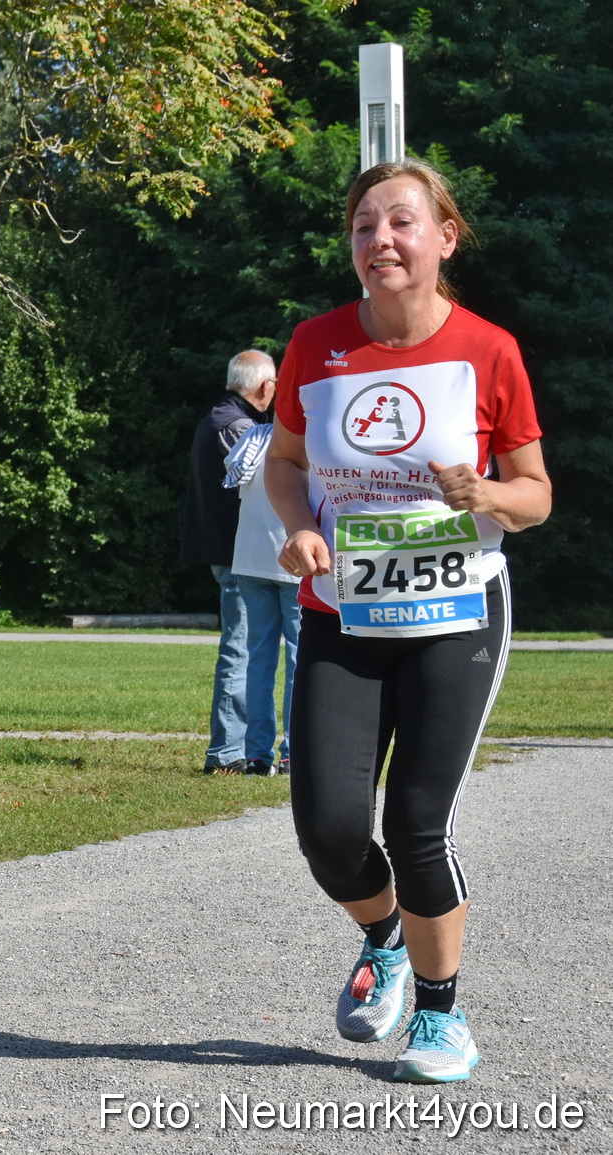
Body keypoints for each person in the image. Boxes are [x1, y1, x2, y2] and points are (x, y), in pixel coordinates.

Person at [266, 157, 549, 1083]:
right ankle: (383, 935)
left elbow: (537, 497)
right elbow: (285, 462)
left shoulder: (489, 349)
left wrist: (489, 491)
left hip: (456, 605)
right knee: (330, 829)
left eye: (399, 223)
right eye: (362, 227)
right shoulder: (317, 342)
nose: (378, 241)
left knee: (419, 820)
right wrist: (301, 527)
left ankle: (440, 1015)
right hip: (344, 610)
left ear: (443, 238)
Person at [180, 350, 277, 774]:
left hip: (229, 551)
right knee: (239, 651)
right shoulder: (237, 426)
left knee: (242, 648)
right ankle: (225, 752)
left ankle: (231, 748)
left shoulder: (217, 418)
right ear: (263, 386)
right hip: (239, 555)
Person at [222, 419, 301, 775]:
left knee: (259, 661)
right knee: (300, 660)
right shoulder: (308, 439)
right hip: (295, 561)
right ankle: (292, 753)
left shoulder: (253, 438)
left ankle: (256, 755)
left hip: (250, 559)